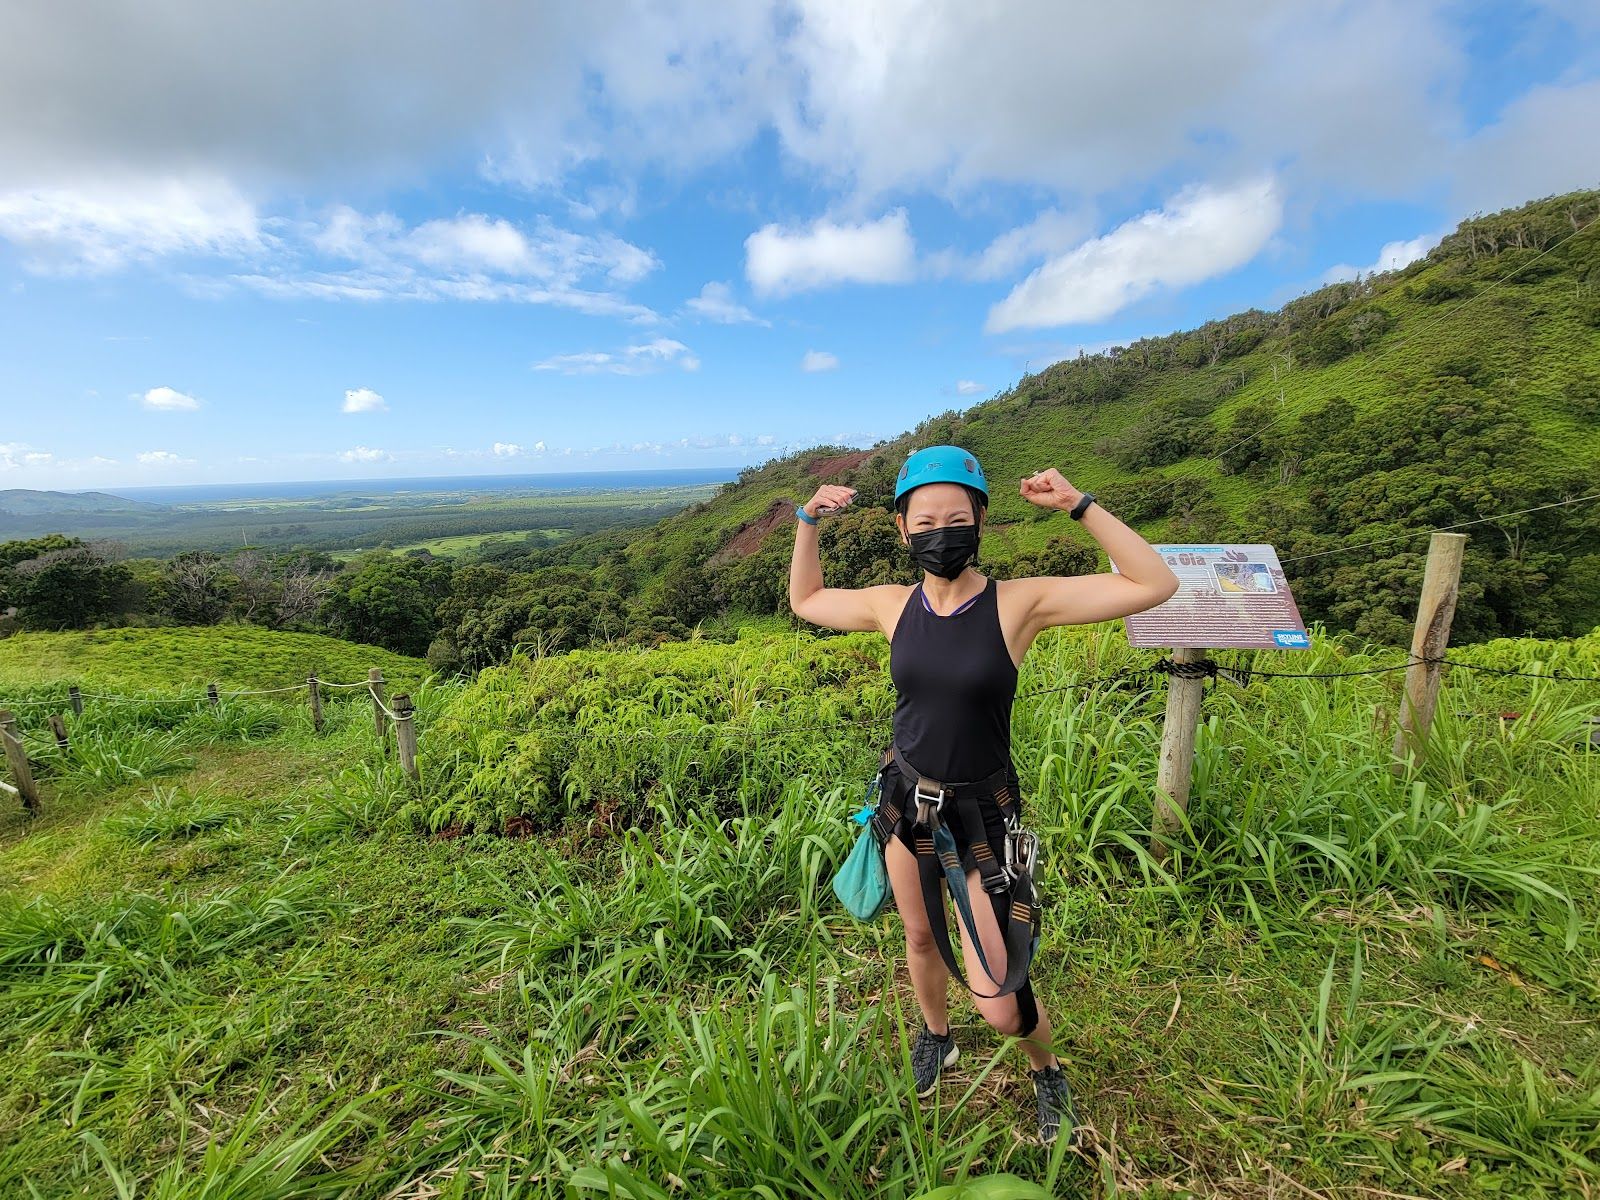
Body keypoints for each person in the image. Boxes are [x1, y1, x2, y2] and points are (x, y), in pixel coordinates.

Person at [788, 445, 1180, 1145]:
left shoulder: (1019, 602)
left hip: (981, 819)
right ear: (904, 530)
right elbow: (807, 600)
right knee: (916, 936)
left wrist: (1077, 504)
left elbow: (1153, 584)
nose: (941, 530)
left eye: (956, 517)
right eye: (925, 518)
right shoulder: (892, 605)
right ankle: (936, 1036)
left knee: (999, 999)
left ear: (980, 524)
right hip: (904, 801)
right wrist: (806, 521)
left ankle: (1046, 1068)